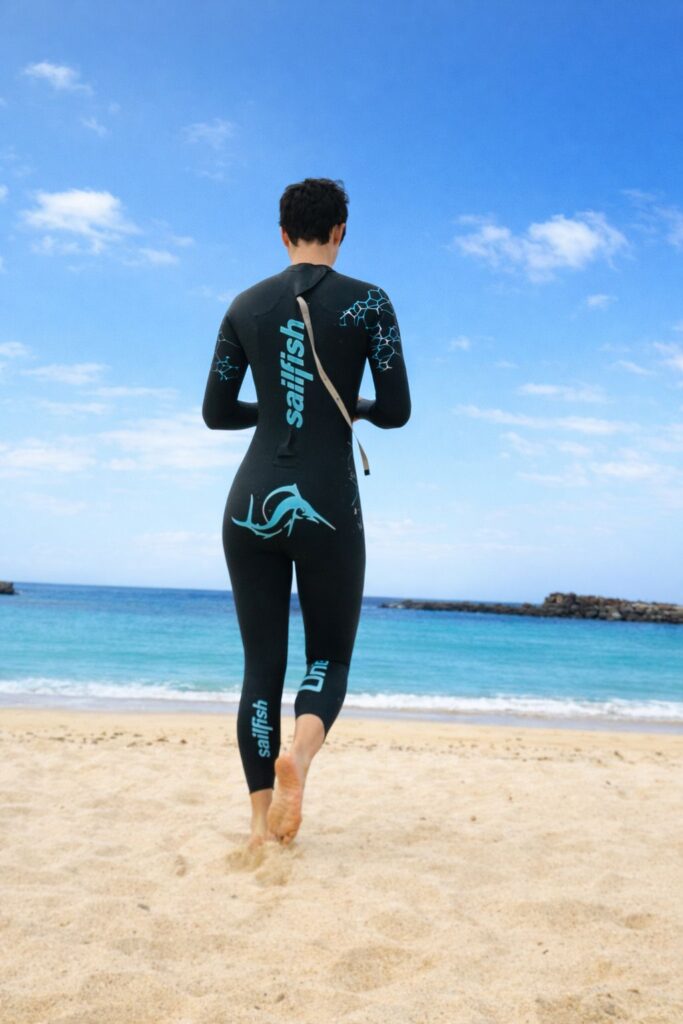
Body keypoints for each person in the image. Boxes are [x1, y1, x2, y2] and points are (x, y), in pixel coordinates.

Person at [202, 177, 411, 848]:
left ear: (283, 233)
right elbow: (397, 411)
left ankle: (259, 825)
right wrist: (347, 408)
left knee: (260, 667)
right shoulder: (370, 302)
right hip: (327, 501)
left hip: (250, 502)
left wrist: (275, 407)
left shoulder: (244, 305)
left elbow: (215, 413)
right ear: (341, 231)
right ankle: (299, 754)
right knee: (329, 657)